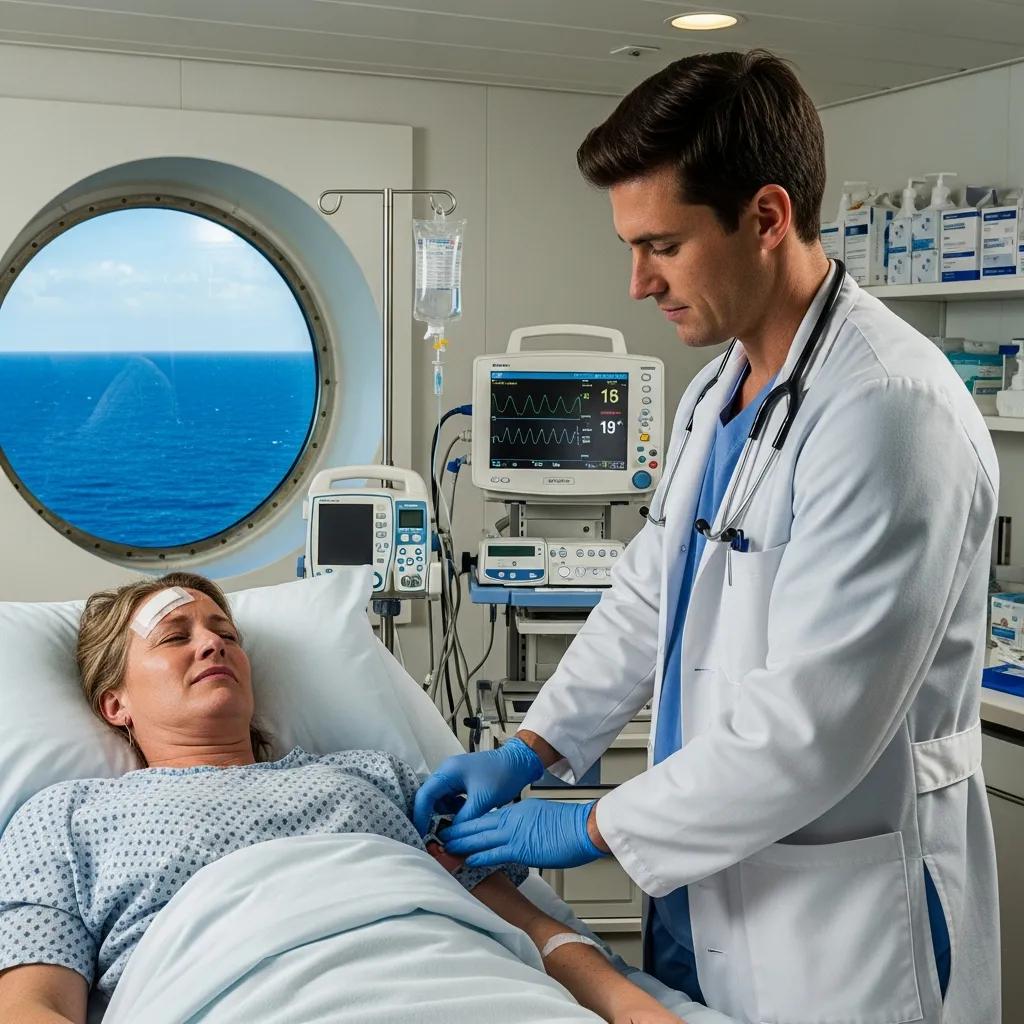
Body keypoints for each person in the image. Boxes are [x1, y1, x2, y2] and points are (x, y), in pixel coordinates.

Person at [415, 49, 1000, 1024]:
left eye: (663, 245)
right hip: (720, 887)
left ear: (767, 218)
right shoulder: (715, 392)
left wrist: (586, 825)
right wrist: (531, 747)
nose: (638, 282)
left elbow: (810, 731)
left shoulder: (888, 412)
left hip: (842, 918)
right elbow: (651, 598)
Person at [0, 572, 684, 1024]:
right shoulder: (67, 819)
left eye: (225, 633)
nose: (211, 642)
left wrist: (628, 1003)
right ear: (113, 702)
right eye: (176, 636)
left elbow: (530, 927)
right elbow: (31, 1005)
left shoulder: (374, 777)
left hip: (468, 987)